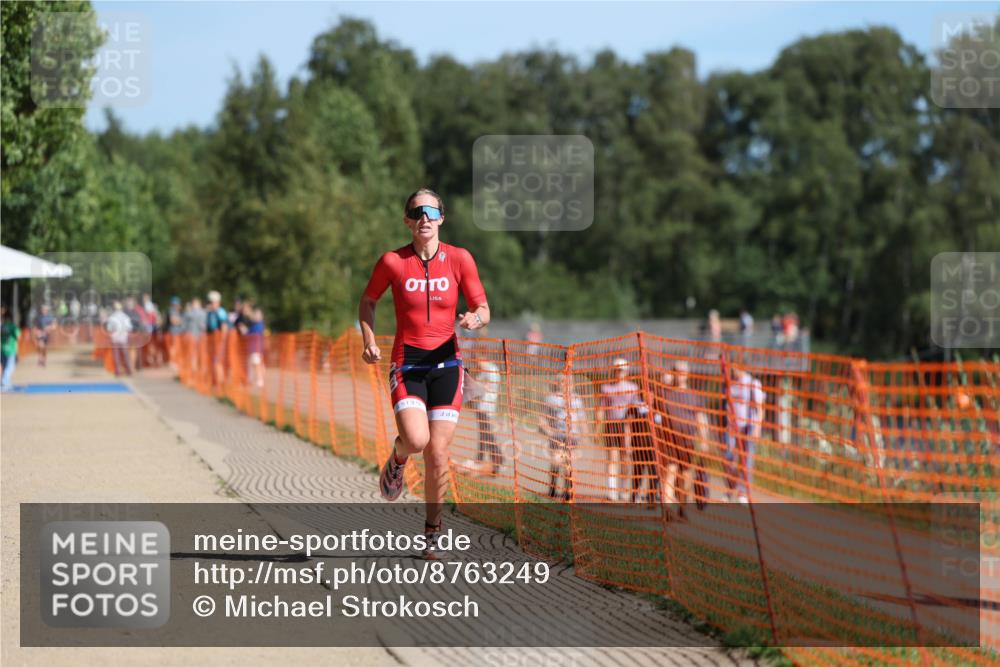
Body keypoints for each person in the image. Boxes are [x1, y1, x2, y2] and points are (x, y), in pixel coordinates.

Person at [360, 188, 490, 559]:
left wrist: (474, 318)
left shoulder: (460, 259)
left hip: (448, 364)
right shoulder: (393, 262)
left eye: (432, 211)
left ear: (442, 218)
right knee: (416, 440)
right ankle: (399, 458)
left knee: (437, 451)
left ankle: (433, 534)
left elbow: (482, 306)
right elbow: (368, 300)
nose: (425, 218)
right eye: (417, 211)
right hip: (408, 362)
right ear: (407, 220)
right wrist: (369, 338)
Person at [653, 361, 710, 516]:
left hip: (688, 443)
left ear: (687, 374)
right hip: (668, 441)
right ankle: (668, 511)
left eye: (683, 371)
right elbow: (654, 415)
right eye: (677, 371)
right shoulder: (663, 393)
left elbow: (701, 419)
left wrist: (704, 441)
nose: (680, 374)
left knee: (684, 477)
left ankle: (683, 508)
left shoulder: (694, 396)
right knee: (670, 473)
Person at [600, 357, 641, 502]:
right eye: (617, 370)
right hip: (611, 425)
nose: (619, 372)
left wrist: (631, 425)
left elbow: (635, 408)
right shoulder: (606, 388)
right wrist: (598, 428)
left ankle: (624, 489)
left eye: (622, 370)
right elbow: (601, 408)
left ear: (626, 371)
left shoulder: (633, 388)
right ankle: (612, 490)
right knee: (612, 457)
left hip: (627, 426)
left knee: (626, 458)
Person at [540, 376, 584, 501]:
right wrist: (549, 431)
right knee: (556, 460)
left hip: (572, 437)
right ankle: (553, 487)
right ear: (558, 383)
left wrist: (584, 435)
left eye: (568, 382)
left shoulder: (576, 399)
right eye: (562, 382)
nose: (565, 385)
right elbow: (543, 417)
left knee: (569, 464)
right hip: (557, 436)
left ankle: (568, 490)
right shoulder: (551, 398)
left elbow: (581, 418)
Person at [726, 367, 765, 503]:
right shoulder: (730, 382)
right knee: (730, 459)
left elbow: (760, 408)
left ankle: (742, 492)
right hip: (732, 428)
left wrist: (757, 428)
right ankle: (730, 489)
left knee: (746, 461)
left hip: (748, 427)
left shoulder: (753, 383)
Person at [205, 291, 229, 389]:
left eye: (212, 302)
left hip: (218, 341)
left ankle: (220, 383)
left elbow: (224, 327)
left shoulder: (221, 312)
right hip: (212, 341)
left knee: (217, 362)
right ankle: (215, 382)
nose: (210, 304)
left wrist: (222, 341)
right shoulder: (210, 313)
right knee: (213, 362)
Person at [106, 301, 133, 377]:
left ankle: (118, 371)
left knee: (116, 356)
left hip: (115, 338)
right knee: (126, 355)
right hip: (124, 338)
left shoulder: (112, 317)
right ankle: (128, 370)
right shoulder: (125, 317)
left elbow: (109, 328)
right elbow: (129, 328)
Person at [244, 301, 266, 389]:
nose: (256, 316)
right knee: (256, 364)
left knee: (257, 364)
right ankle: (258, 379)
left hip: (256, 348)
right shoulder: (253, 325)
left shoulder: (259, 325)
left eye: (258, 314)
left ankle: (260, 380)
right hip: (253, 348)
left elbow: (251, 334)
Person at [1, 306, 20, 391]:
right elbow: (18, 336)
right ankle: (5, 382)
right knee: (11, 367)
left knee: (5, 367)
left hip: (2, 349)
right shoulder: (12, 326)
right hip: (11, 349)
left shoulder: (2, 326)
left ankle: (7, 383)